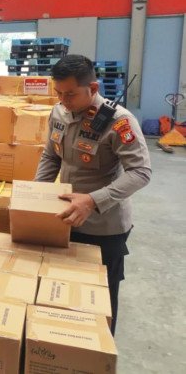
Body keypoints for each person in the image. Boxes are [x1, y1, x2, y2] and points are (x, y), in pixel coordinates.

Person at [34, 55, 151, 335]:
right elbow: (51, 155)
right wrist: (36, 193)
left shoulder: (119, 121)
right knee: (64, 293)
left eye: (70, 94)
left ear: (93, 88)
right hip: (66, 219)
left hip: (104, 228)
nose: (63, 101)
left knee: (100, 303)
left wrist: (92, 200)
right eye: (58, 93)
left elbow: (141, 172)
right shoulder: (58, 113)